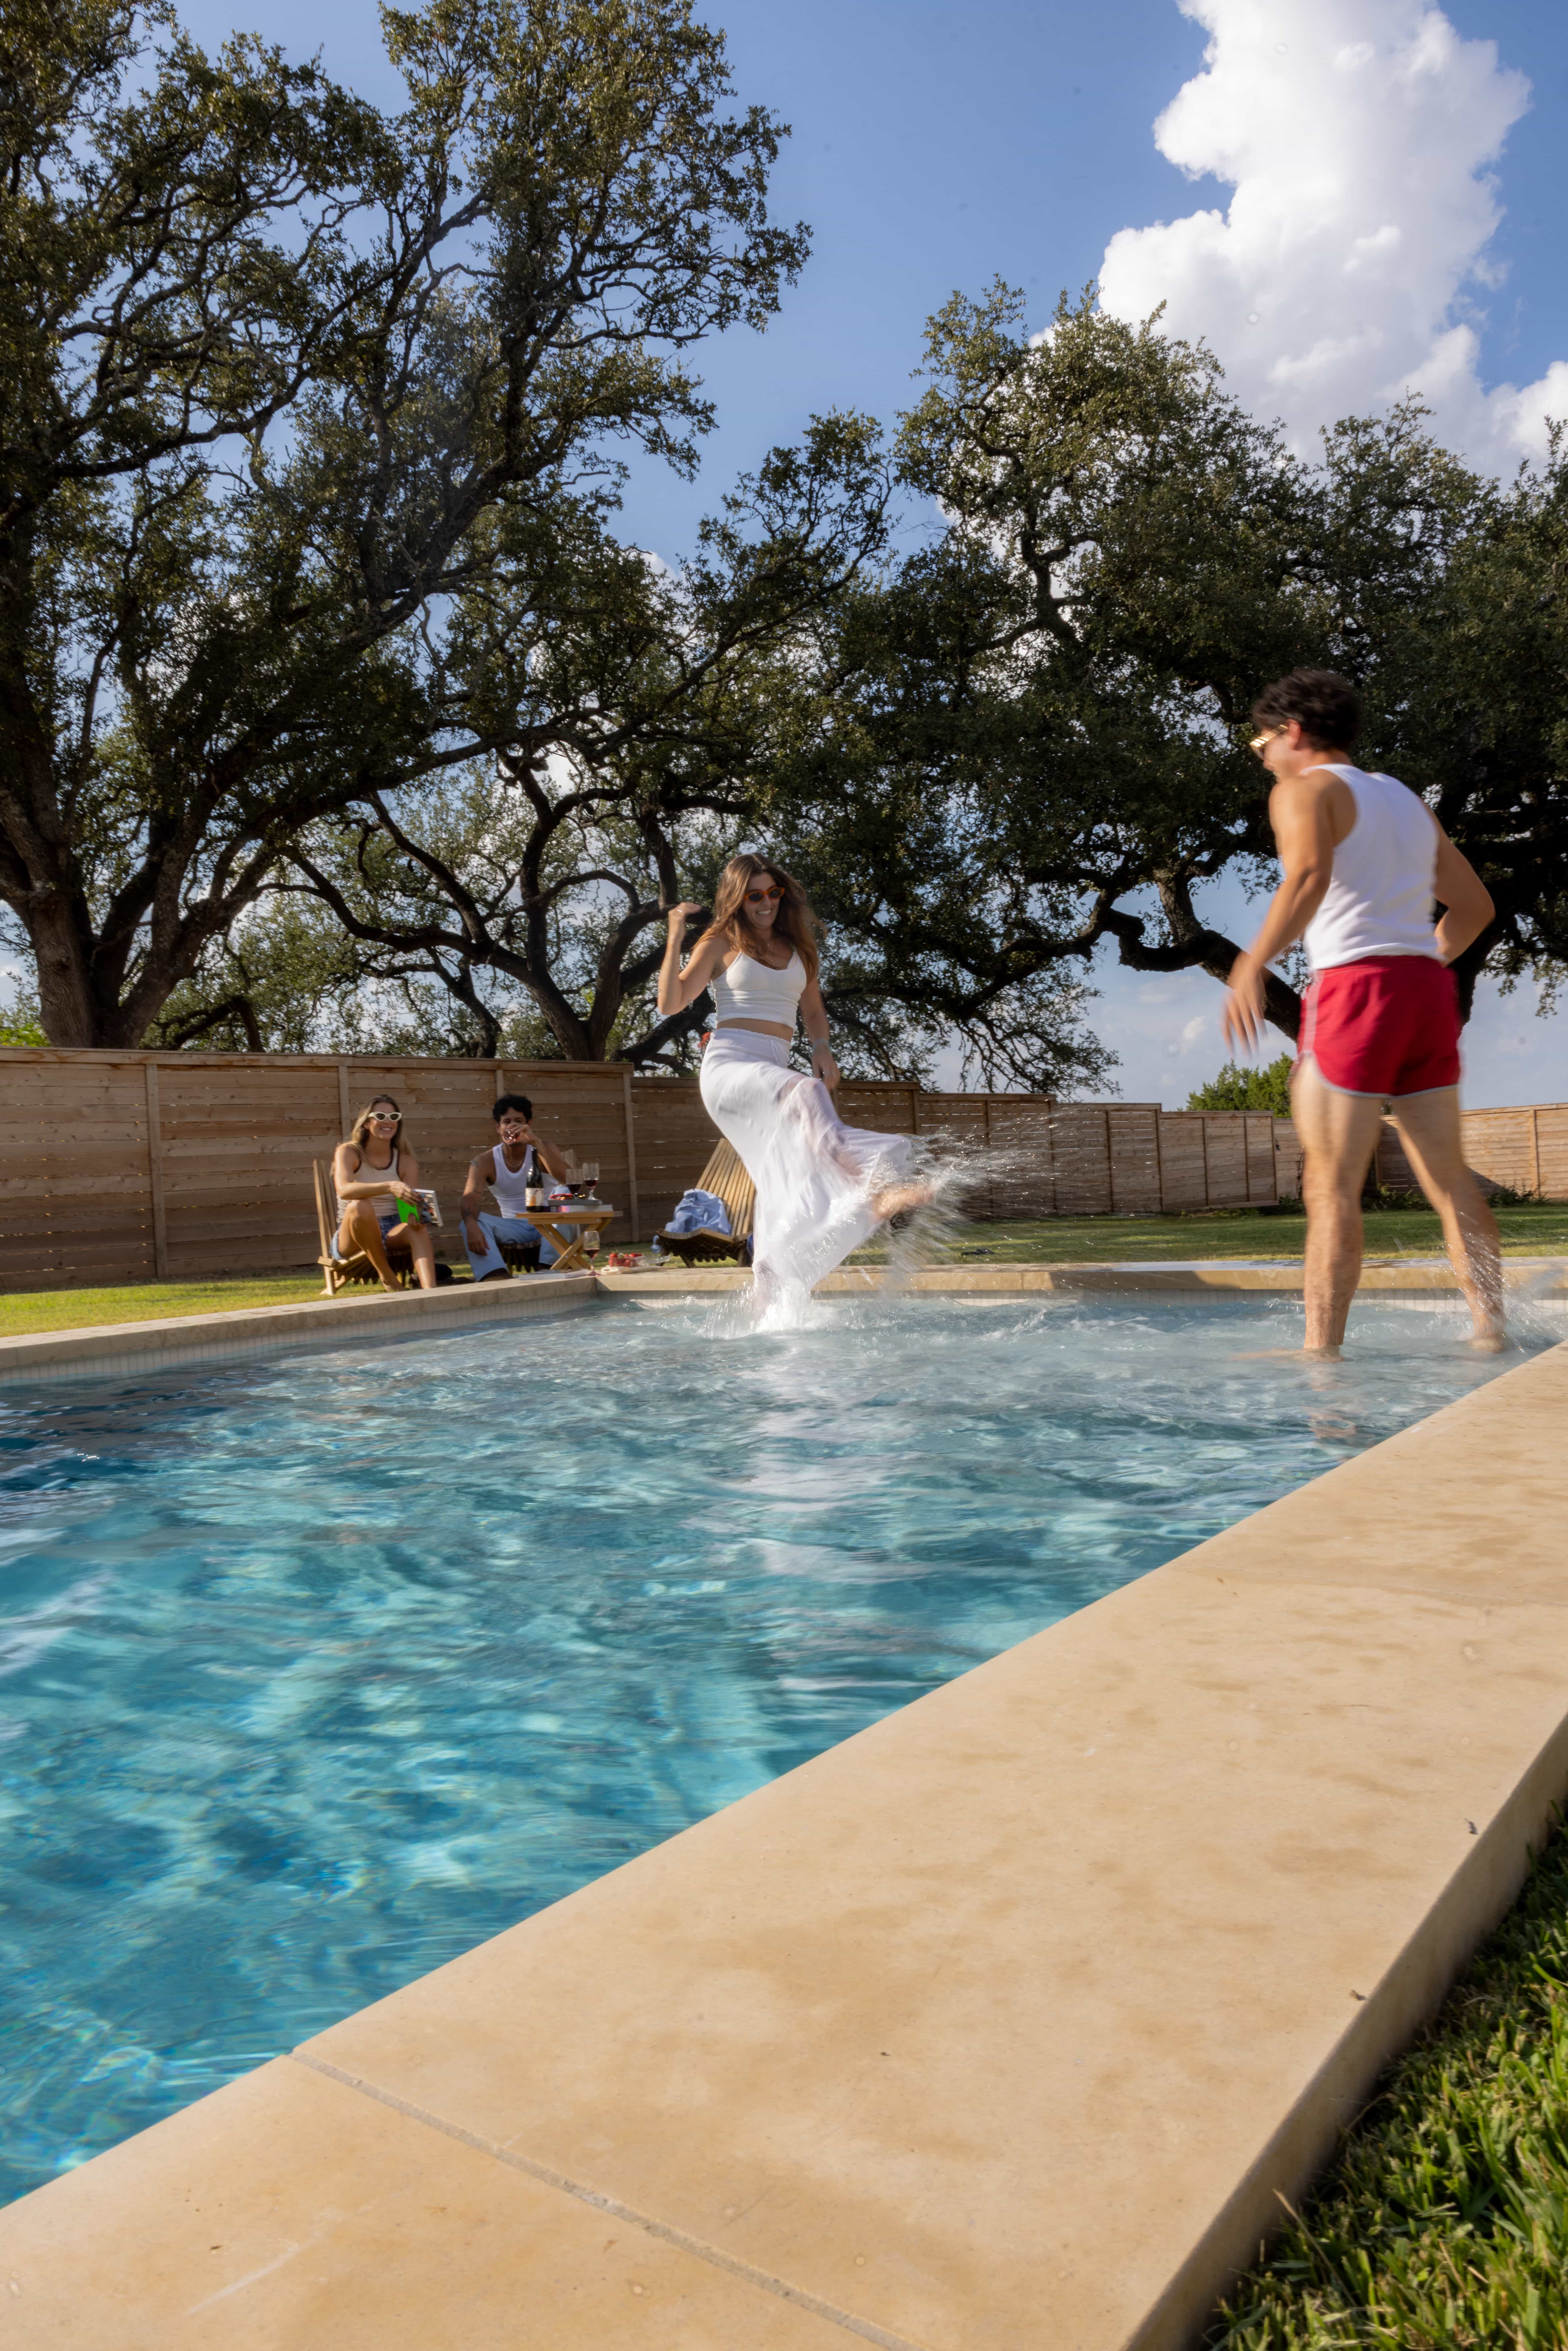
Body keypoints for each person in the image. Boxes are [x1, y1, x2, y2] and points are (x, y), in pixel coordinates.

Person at [1221, 668, 1503, 1356]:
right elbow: (1475, 910)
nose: (1261, 756)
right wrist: (1422, 968)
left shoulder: (1301, 790)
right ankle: (1491, 1331)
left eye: (1260, 741)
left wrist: (1250, 963)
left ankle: (1320, 1351)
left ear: (1291, 731)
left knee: (1329, 1184)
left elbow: (1309, 877)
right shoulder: (1405, 801)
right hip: (1423, 994)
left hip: (1355, 991)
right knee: (1448, 1178)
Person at [657, 853, 932, 1309]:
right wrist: (675, 939)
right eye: (755, 896)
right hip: (730, 1065)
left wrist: (822, 1049)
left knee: (779, 1172)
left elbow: (814, 1011)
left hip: (773, 1064)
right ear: (738, 899)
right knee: (805, 1092)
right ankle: (875, 1186)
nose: (766, 903)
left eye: (773, 893)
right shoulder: (721, 942)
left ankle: (769, 1288)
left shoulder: (800, 949)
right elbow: (671, 1002)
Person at [460, 1095, 573, 1281]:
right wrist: (471, 1224)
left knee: (564, 1193)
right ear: (498, 1127)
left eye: (519, 1122)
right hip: (515, 1227)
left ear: (529, 1124)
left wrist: (536, 1142)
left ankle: (550, 1268)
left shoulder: (544, 1147)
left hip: (551, 1223)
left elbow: (569, 1179)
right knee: (470, 1220)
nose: (512, 1127)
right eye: (507, 1122)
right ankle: (495, 1277)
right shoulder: (485, 1161)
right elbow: (469, 1198)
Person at [333, 1097, 439, 1292]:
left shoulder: (407, 1162)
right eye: (380, 1116)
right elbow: (344, 1190)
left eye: (394, 1117)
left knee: (418, 1229)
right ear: (366, 1123)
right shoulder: (348, 1152)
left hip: (393, 1229)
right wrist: (390, 1186)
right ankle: (388, 1279)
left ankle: (432, 1294)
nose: (388, 1121)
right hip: (353, 1234)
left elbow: (407, 1209)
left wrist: (414, 1216)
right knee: (359, 1205)